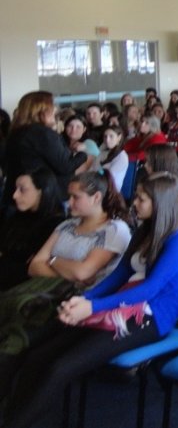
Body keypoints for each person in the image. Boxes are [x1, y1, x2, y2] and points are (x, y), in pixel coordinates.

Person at [2, 174, 178, 428]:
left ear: (161, 203)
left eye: (141, 199)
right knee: (37, 356)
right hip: (121, 304)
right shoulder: (146, 229)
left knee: (61, 367)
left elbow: (149, 290)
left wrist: (92, 307)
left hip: (151, 317)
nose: (134, 202)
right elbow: (119, 276)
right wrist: (83, 299)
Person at [0, 171, 132, 398]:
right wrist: (65, 267)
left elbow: (84, 274)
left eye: (75, 197)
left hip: (73, 304)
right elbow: (34, 266)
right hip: (40, 293)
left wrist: (52, 261)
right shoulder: (66, 225)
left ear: (96, 198)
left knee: (13, 343)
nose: (69, 202)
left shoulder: (114, 230)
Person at [2, 91, 87, 209]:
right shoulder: (42, 133)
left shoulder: (15, 133)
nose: (55, 109)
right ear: (41, 110)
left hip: (18, 196)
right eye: (52, 105)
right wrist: (82, 153)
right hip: (42, 201)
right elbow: (65, 166)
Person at [0, 169, 65, 292]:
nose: (14, 195)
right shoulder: (20, 215)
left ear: (42, 191)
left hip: (19, 286)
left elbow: (29, 267)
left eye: (22, 190)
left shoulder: (55, 224)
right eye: (15, 189)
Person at [98, 125, 129, 191]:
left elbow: (109, 178)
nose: (107, 140)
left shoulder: (122, 157)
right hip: (98, 184)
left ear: (119, 137)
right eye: (105, 136)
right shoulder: (103, 151)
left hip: (110, 190)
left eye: (111, 136)